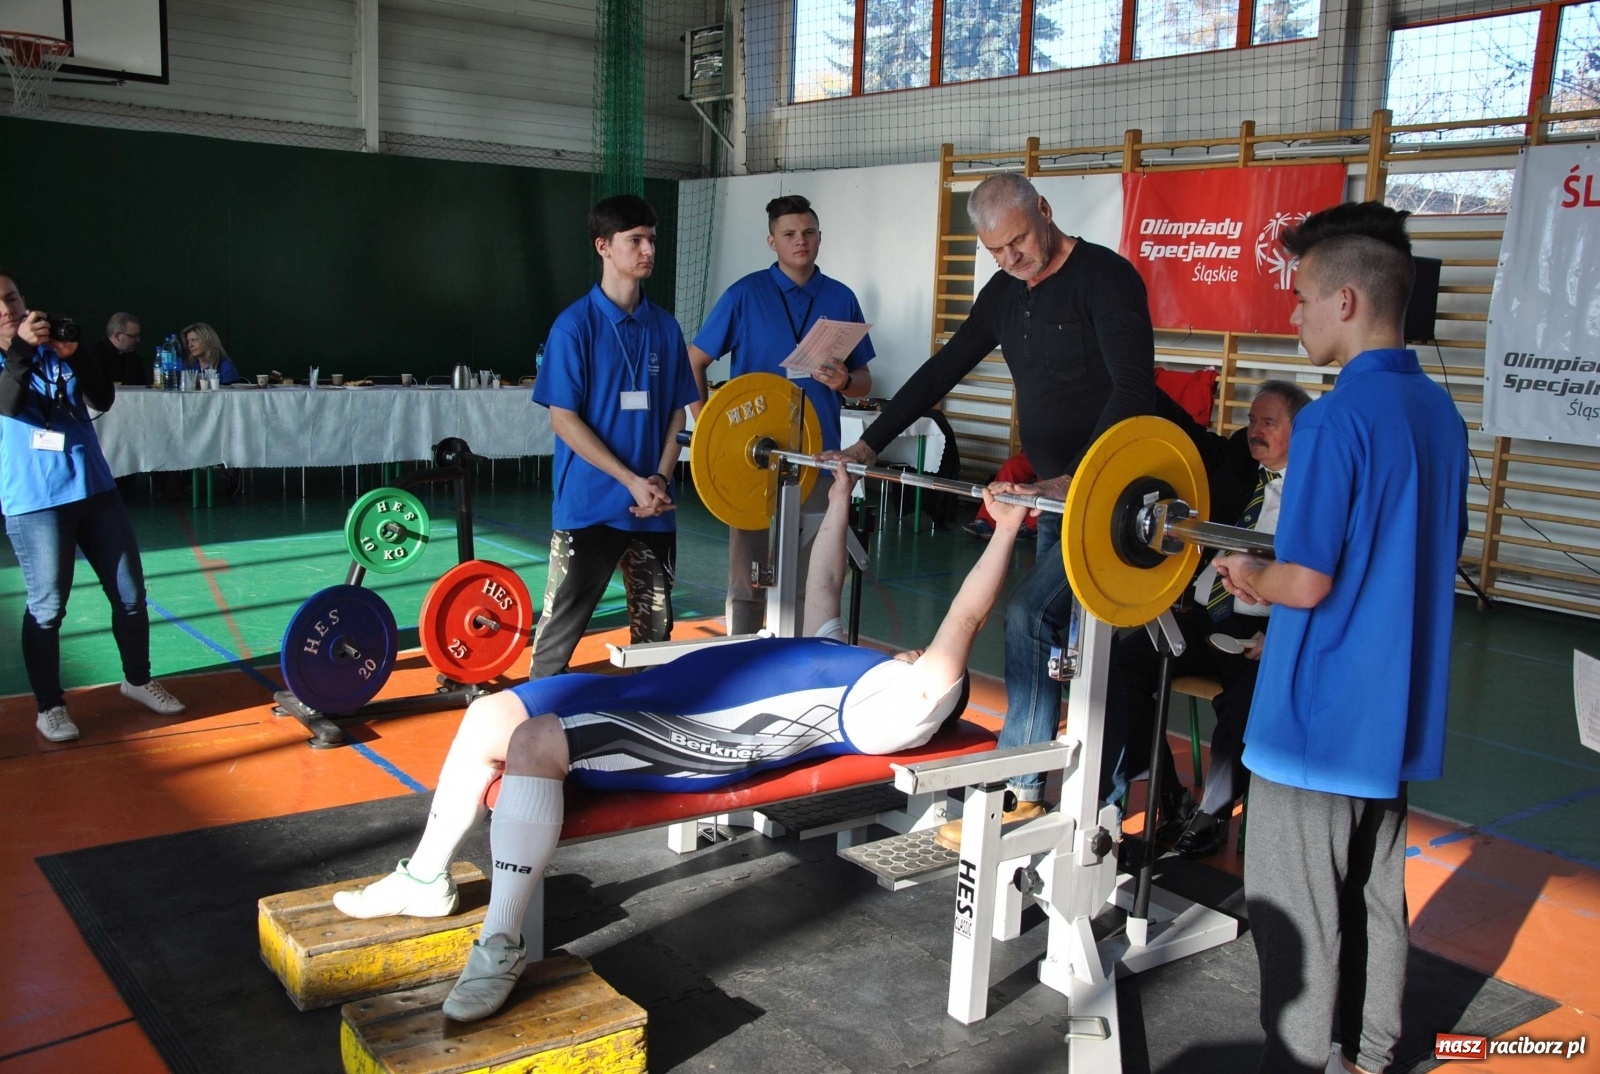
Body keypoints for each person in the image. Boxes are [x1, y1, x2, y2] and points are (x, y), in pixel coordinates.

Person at [331, 464, 1024, 1022]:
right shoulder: (857, 660)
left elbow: (965, 617)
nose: (910, 650)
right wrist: (841, 488)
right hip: (670, 693)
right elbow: (824, 576)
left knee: (536, 744)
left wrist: (1006, 527)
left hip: (700, 735)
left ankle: (503, 943)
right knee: (489, 716)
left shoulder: (905, 708)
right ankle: (425, 880)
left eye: (922, 656)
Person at [828, 172, 1200, 833]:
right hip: (1063, 498)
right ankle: (1071, 793)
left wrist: (1080, 478)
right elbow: (943, 369)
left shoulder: (1106, 279)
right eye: (996, 250)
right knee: (1071, 638)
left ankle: (1061, 798)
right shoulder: (1004, 293)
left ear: (1046, 213)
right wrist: (870, 445)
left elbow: (1132, 389)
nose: (1010, 260)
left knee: (1041, 618)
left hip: (1119, 497)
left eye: (1019, 242)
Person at [1213, 203, 1467, 1074]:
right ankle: (1368, 1056)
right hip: (1391, 720)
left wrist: (1247, 575)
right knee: (1375, 901)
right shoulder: (1442, 416)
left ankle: (1300, 1061)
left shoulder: (1330, 420)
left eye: (1301, 301)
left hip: (1313, 720)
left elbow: (1308, 580)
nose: (1294, 316)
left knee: (1295, 915)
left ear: (1348, 300)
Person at [1101, 381, 1311, 859]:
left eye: (1269, 423)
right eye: (1253, 420)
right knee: (1121, 666)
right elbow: (1187, 429)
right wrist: (1132, 375)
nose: (1255, 431)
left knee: (1243, 705)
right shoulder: (1239, 457)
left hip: (1261, 629)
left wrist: (1279, 638)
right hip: (1199, 617)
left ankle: (1212, 813)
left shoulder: (1318, 490)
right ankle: (1168, 795)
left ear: (1299, 431)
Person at [0, 271, 186, 742]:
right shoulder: (18, 355)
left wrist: (76, 353)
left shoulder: (50, 347)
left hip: (95, 488)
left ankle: (138, 680)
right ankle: (50, 706)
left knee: (129, 594)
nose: (7, 309)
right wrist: (21, 350)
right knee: (48, 606)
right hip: (36, 500)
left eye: (12, 297)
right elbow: (8, 402)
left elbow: (101, 396)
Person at [689, 195, 876, 635]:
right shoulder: (744, 294)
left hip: (818, 457)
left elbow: (865, 380)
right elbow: (693, 361)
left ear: (820, 238)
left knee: (813, 575)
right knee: (748, 577)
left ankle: (802, 661)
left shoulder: (840, 297)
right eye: (790, 234)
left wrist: (845, 382)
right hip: (752, 461)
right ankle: (741, 659)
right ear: (772, 241)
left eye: (809, 233)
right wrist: (709, 433)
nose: (801, 242)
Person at [527, 195, 698, 678]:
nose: (648, 250)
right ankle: (531, 725)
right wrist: (629, 480)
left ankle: (646, 729)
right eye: (635, 241)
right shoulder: (574, 327)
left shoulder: (664, 327)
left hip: (652, 509)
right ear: (603, 246)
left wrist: (660, 480)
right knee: (559, 635)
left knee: (655, 640)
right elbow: (564, 420)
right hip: (590, 508)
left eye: (652, 240)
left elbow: (676, 416)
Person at [76, 313, 145, 387]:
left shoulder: (134, 359)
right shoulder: (92, 355)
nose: (138, 340)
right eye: (134, 336)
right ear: (117, 336)